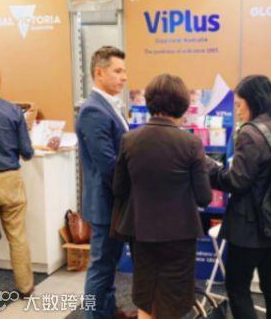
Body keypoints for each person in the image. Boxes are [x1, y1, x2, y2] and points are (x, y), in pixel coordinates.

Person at [112, 74, 212, 319]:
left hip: (140, 231)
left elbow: (119, 188)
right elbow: (204, 197)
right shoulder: (191, 143)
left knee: (145, 294)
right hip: (180, 234)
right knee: (173, 298)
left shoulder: (129, 140)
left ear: (150, 101)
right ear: (182, 104)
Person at [207, 75, 271, 319]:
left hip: (249, 225)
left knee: (237, 286)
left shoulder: (250, 132)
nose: (237, 111)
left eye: (239, 105)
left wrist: (211, 170)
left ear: (254, 101)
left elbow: (237, 182)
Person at [76, 46, 133, 319]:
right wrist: (133, 189)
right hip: (105, 204)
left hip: (112, 202)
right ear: (99, 73)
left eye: (124, 71)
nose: (124, 77)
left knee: (108, 265)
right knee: (100, 267)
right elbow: (108, 165)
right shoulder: (93, 111)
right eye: (118, 71)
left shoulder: (109, 106)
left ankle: (108, 311)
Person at [0, 62, 34, 307]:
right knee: (18, 236)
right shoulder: (13, 111)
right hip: (12, 180)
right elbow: (27, 152)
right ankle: (25, 287)